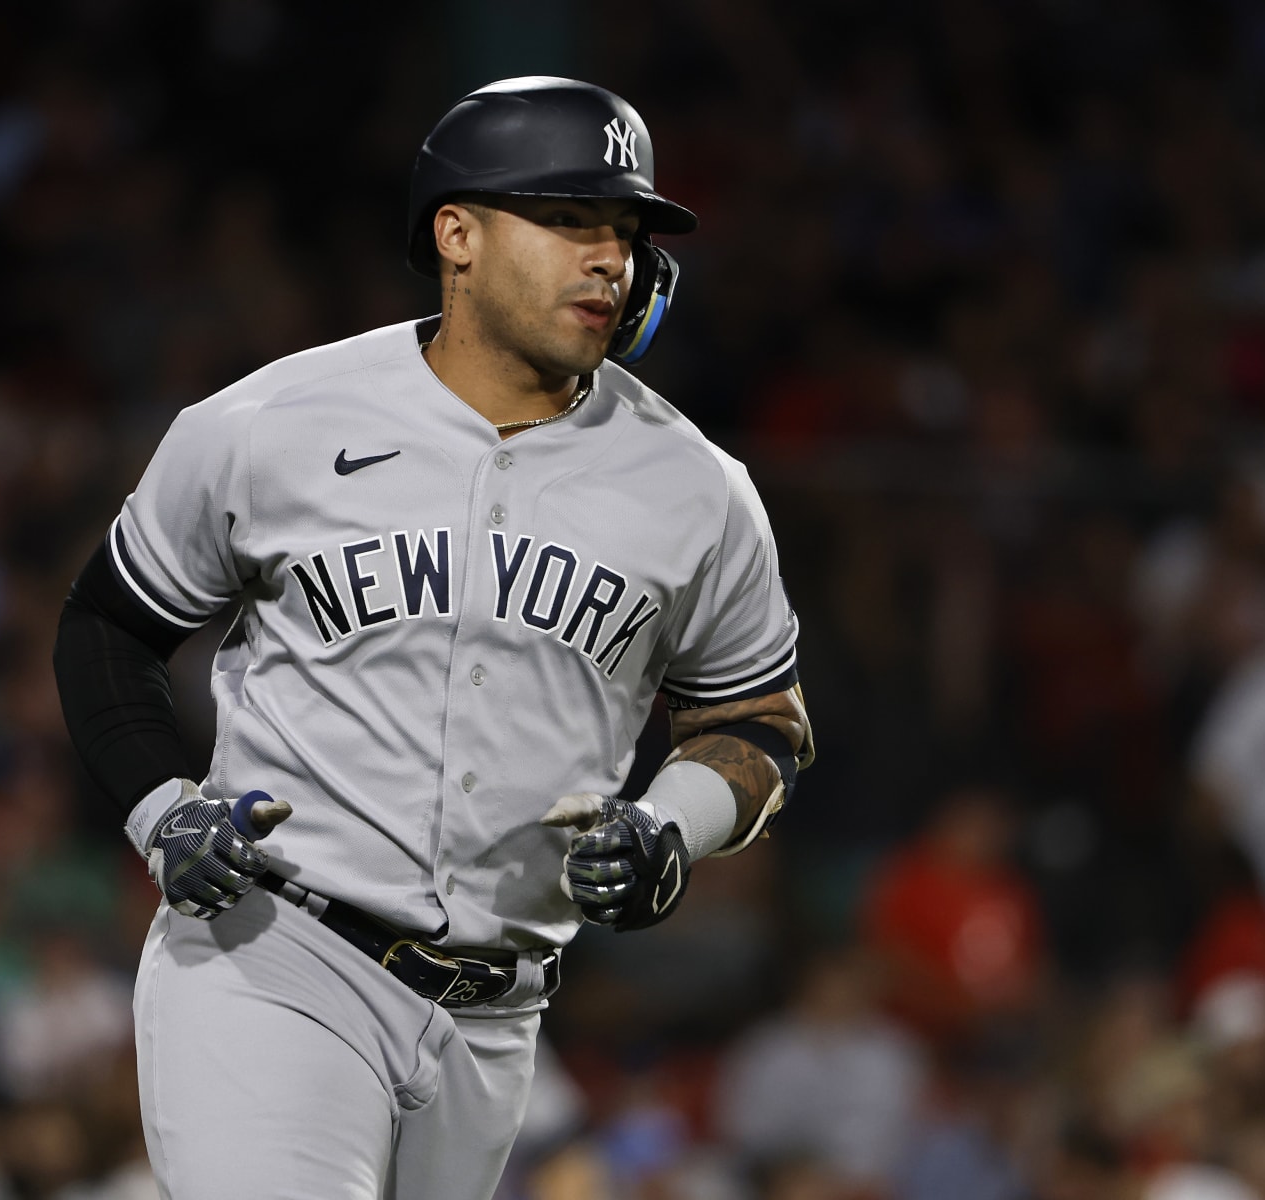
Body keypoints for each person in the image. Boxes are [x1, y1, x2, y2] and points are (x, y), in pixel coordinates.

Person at [51, 76, 811, 1200]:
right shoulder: (269, 426)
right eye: (567, 219)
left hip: (498, 1019)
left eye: (625, 229)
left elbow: (759, 722)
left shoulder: (698, 489)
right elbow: (108, 626)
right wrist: (162, 808)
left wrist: (670, 828)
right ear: (457, 234)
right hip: (275, 956)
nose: (608, 258)